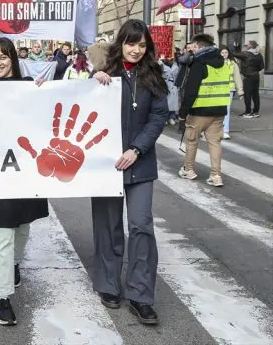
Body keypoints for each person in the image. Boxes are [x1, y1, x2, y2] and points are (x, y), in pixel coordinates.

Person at [91, 19, 169, 326]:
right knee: (108, 227)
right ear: (120, 43)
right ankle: (109, 285)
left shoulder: (154, 76)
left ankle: (141, 295)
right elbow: (80, 103)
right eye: (130, 43)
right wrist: (92, 80)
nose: (136, 50)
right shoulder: (104, 74)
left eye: (141, 45)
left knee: (141, 226)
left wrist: (136, 148)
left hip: (140, 164)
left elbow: (159, 115)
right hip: (104, 166)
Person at [0, 38, 48, 326]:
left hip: (27, 169)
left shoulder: (28, 85)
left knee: (23, 226)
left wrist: (45, 92)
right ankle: (3, 297)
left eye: (4, 57)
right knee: (4, 233)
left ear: (13, 59)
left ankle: (14, 264)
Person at [178, 34, 231, 187]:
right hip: (219, 109)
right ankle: (216, 175)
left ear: (199, 46)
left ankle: (189, 170)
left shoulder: (199, 63)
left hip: (199, 110)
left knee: (191, 140)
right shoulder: (223, 62)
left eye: (194, 46)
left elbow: (191, 90)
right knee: (215, 143)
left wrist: (183, 112)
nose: (192, 49)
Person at [234, 40, 265, 118]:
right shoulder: (259, 55)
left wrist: (236, 47)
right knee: (255, 94)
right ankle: (255, 112)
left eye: (247, 44)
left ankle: (247, 112)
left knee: (247, 94)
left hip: (248, 77)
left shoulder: (246, 54)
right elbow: (262, 66)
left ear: (250, 45)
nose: (246, 45)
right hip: (256, 76)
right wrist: (255, 70)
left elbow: (235, 54)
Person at [219, 46, 243, 139]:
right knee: (218, 111)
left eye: (226, 52)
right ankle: (217, 130)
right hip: (219, 90)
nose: (224, 54)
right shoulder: (216, 63)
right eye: (222, 53)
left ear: (228, 53)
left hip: (230, 90)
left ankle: (225, 131)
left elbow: (237, 77)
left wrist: (240, 91)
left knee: (227, 111)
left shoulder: (233, 64)